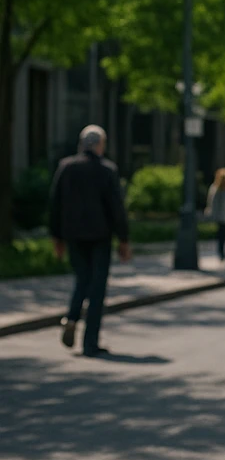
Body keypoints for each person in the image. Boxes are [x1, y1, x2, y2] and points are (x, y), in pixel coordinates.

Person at [48, 125, 131, 357]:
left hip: (73, 234)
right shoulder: (107, 170)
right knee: (97, 288)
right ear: (99, 145)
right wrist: (123, 239)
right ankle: (90, 342)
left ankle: (72, 317)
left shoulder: (66, 167)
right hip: (100, 236)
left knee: (82, 279)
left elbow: (55, 204)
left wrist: (56, 237)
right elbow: (117, 208)